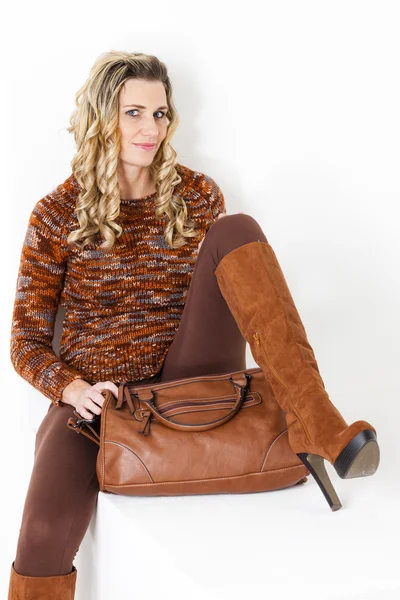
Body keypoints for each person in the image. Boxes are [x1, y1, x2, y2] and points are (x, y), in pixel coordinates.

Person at [7, 50, 380, 599]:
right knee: (41, 535)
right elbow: (25, 339)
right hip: (104, 402)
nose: (149, 128)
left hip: (192, 377)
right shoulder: (55, 215)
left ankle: (316, 418)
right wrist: (72, 387)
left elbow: (232, 290)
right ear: (101, 117)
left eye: (160, 114)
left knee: (237, 229)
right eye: (133, 112)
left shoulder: (198, 195)